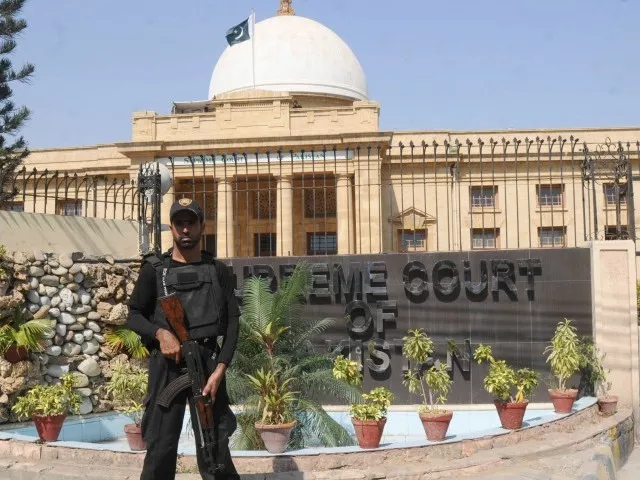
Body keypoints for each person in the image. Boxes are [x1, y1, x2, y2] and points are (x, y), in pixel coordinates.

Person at [127, 198, 241, 480]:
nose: (185, 229)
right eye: (180, 223)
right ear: (171, 227)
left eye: (191, 222)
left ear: (202, 226)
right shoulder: (155, 270)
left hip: (208, 365)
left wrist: (220, 369)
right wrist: (160, 333)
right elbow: (134, 315)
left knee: (214, 446)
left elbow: (233, 323)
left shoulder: (217, 270)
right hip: (168, 366)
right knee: (160, 446)